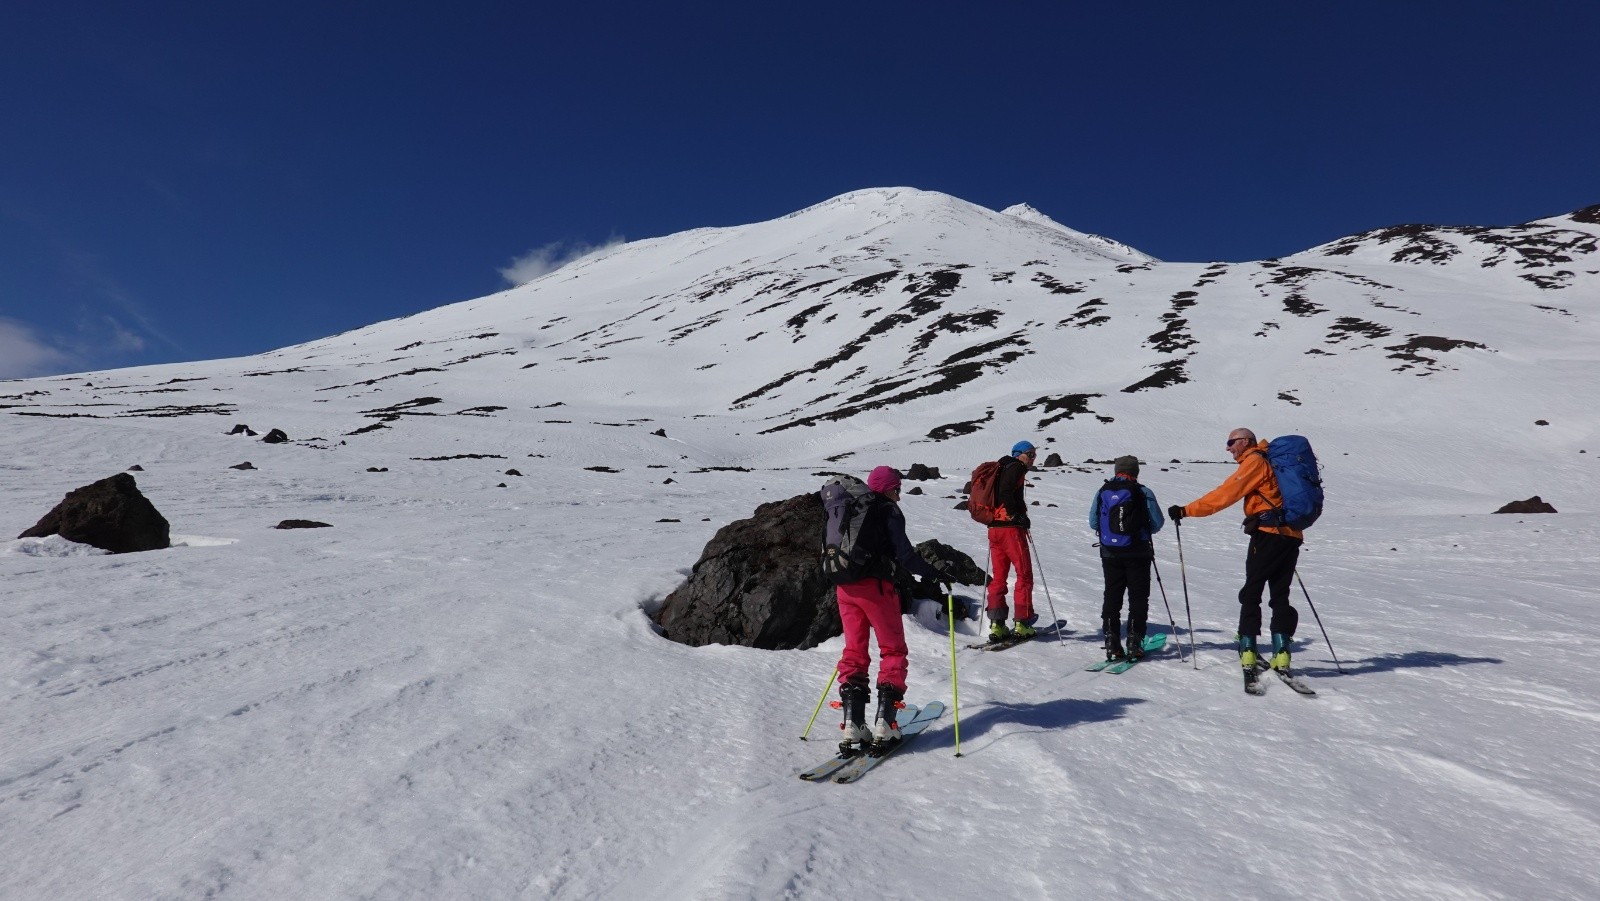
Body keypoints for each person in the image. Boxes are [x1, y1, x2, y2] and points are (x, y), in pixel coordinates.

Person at [1168, 428, 1304, 675]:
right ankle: (1282, 653)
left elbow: (1226, 493)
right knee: (1280, 593)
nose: (1228, 447)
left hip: (1267, 534)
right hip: (1291, 534)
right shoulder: (1271, 462)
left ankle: (1248, 646)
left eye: (1231, 442)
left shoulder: (1254, 461)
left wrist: (1186, 510)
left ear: (1245, 442)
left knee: (1252, 590)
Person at [835, 466, 948, 756]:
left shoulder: (850, 508)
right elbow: (905, 555)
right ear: (887, 488)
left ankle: (852, 724)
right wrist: (932, 573)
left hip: (844, 588)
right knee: (893, 651)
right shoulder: (888, 511)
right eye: (897, 488)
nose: (899, 495)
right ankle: (886, 723)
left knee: (854, 652)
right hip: (876, 589)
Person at [1088, 455, 1164, 660]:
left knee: (1112, 594)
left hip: (1109, 553)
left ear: (1116, 470)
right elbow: (1157, 523)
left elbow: (1093, 522)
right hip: (1138, 552)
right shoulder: (1143, 491)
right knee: (1138, 597)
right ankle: (1134, 639)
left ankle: (1111, 639)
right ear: (1135, 472)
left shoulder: (1103, 491)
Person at [986, 440, 1038, 642]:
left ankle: (997, 624)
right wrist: (1017, 515)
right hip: (1010, 530)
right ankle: (1022, 622)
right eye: (1030, 454)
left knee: (999, 577)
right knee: (1024, 575)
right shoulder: (1016, 467)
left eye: (1034, 455)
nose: (1033, 459)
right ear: (1019, 454)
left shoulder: (1001, 467)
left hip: (994, 529)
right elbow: (1006, 492)